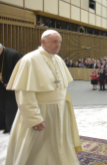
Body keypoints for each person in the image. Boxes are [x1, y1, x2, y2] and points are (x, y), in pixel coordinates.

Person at [5, 30, 81, 164]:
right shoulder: (30, 60)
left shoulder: (58, 59)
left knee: (59, 143)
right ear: (43, 42)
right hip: (41, 111)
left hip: (59, 111)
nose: (58, 45)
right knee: (36, 147)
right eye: (54, 42)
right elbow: (24, 93)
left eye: (59, 42)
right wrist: (34, 118)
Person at [0, 43, 22, 134]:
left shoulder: (14, 55)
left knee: (11, 108)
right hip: (1, 87)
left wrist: (13, 83)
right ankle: (2, 126)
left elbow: (22, 71)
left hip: (12, 88)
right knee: (1, 107)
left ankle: (11, 128)